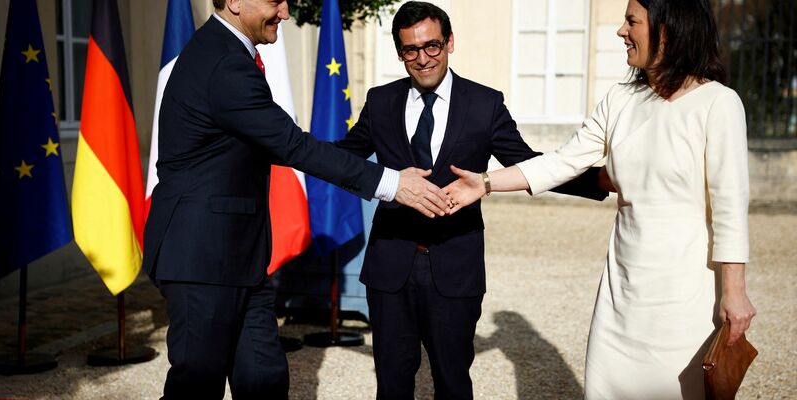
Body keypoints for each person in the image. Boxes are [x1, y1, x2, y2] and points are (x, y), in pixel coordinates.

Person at [141, 0, 453, 398]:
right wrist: (392, 183)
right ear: (235, 1)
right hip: (201, 256)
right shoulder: (223, 61)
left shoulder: (228, 53)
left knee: (264, 378)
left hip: (239, 255)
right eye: (275, 1)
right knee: (197, 385)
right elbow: (289, 145)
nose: (286, 13)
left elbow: (271, 143)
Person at [444, 0, 756, 398]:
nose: (620, 31)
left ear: (668, 28)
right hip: (620, 293)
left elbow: (730, 207)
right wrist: (483, 183)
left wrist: (734, 292)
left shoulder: (719, 103)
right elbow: (562, 162)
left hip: (685, 297)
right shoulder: (620, 99)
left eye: (632, 21)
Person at [335, 2, 608, 398]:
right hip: (389, 266)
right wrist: (284, 149)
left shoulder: (485, 103)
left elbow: (529, 163)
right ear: (399, 52)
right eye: (411, 49)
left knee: (453, 382)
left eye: (432, 46)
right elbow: (343, 159)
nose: (423, 58)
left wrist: (599, 180)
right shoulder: (380, 102)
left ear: (449, 43)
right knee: (392, 385)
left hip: (455, 266)